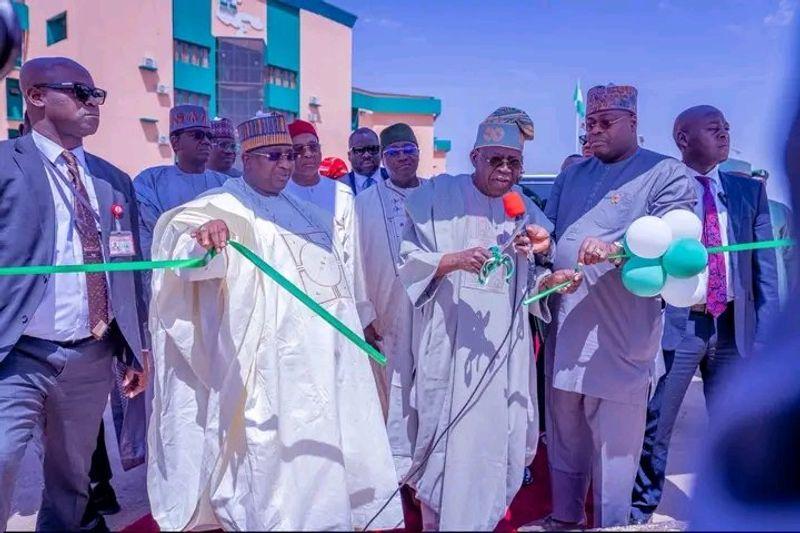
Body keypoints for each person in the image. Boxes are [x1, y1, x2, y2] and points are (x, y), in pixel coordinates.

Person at [146, 113, 403, 531]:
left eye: (292, 155)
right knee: (277, 464)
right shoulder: (225, 205)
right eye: (274, 156)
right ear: (246, 159)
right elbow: (183, 235)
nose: (287, 164)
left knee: (329, 456)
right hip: (273, 365)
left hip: (329, 358)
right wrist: (207, 235)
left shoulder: (305, 212)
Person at [398, 107, 582, 531]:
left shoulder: (524, 213)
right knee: (441, 439)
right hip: (449, 344)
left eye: (513, 162)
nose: (504, 170)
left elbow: (530, 285)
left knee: (495, 441)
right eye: (494, 159)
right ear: (474, 156)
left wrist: (554, 280)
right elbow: (408, 263)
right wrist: (453, 260)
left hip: (504, 356)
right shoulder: (436, 198)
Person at [0, 56, 148, 531]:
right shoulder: (5, 165)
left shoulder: (112, 179)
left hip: (91, 355)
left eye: (97, 94)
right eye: (80, 92)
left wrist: (133, 347)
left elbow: (129, 271)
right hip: (16, 353)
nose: (94, 103)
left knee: (72, 478)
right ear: (37, 96)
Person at [542, 84, 696, 529]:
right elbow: (553, 233)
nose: (594, 131)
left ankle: (612, 525)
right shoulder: (572, 175)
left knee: (616, 453)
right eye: (589, 123)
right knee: (565, 439)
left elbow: (675, 241)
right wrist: (541, 243)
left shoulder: (665, 173)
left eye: (605, 122)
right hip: (568, 327)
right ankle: (564, 518)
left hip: (621, 336)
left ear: (633, 123)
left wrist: (614, 248)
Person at [630, 105, 779, 525]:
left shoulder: (748, 191)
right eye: (714, 128)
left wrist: (766, 332)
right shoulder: (661, 189)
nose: (725, 134)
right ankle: (640, 509)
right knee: (657, 423)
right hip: (681, 323)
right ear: (683, 138)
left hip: (735, 326)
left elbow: (764, 268)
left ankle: (736, 505)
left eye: (727, 127)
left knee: (737, 425)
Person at [353, 122, 422, 477]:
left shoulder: (436, 195)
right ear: (383, 159)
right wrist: (365, 312)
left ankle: (426, 467)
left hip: (433, 312)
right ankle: (395, 471)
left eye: (408, 151)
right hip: (385, 311)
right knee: (392, 390)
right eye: (393, 153)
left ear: (419, 154)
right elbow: (353, 261)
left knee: (430, 384)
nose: (402, 159)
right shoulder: (362, 203)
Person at [133, 104, 229, 260]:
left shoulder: (225, 184)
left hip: (217, 271)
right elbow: (149, 237)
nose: (206, 141)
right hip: (168, 272)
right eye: (197, 135)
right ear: (175, 142)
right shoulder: (150, 181)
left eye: (209, 137)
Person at [284, 119, 355, 263]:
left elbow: (353, 248)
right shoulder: (279, 194)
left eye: (313, 147)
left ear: (320, 150)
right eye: (299, 149)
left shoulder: (342, 194)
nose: (308, 154)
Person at [751, 168, 794, 304]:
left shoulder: (780, 211)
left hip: (777, 286)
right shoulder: (737, 210)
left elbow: (790, 256)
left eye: (762, 184)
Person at [342, 127, 388, 194]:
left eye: (372, 149)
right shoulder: (340, 186)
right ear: (349, 156)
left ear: (380, 152)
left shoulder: (395, 179)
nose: (366, 155)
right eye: (359, 150)